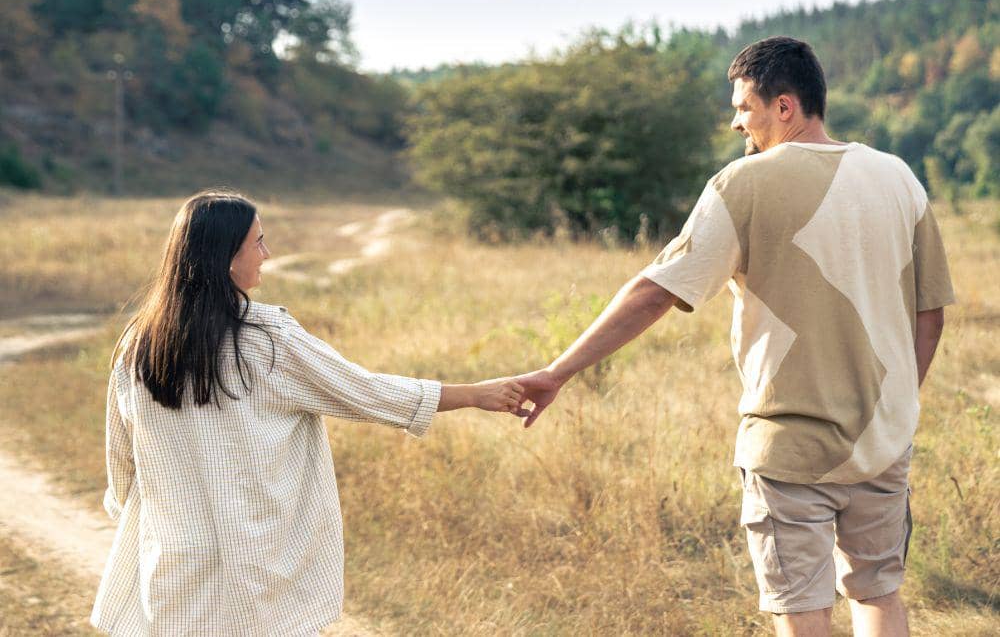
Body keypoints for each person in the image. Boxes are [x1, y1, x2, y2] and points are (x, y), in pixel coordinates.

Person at [515, 37, 954, 637]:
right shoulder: (899, 178)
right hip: (882, 439)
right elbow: (931, 312)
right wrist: (896, 402)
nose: (735, 121)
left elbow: (656, 291)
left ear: (784, 106)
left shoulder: (743, 183)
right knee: (879, 596)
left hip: (788, 442)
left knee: (803, 611)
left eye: (743, 106)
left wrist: (556, 372)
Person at [90, 189, 525, 635]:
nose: (267, 253)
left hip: (174, 562)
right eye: (257, 242)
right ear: (225, 257)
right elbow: (366, 392)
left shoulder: (136, 347)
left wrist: (150, 526)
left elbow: (122, 465)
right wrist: (475, 394)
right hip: (257, 566)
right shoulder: (267, 339)